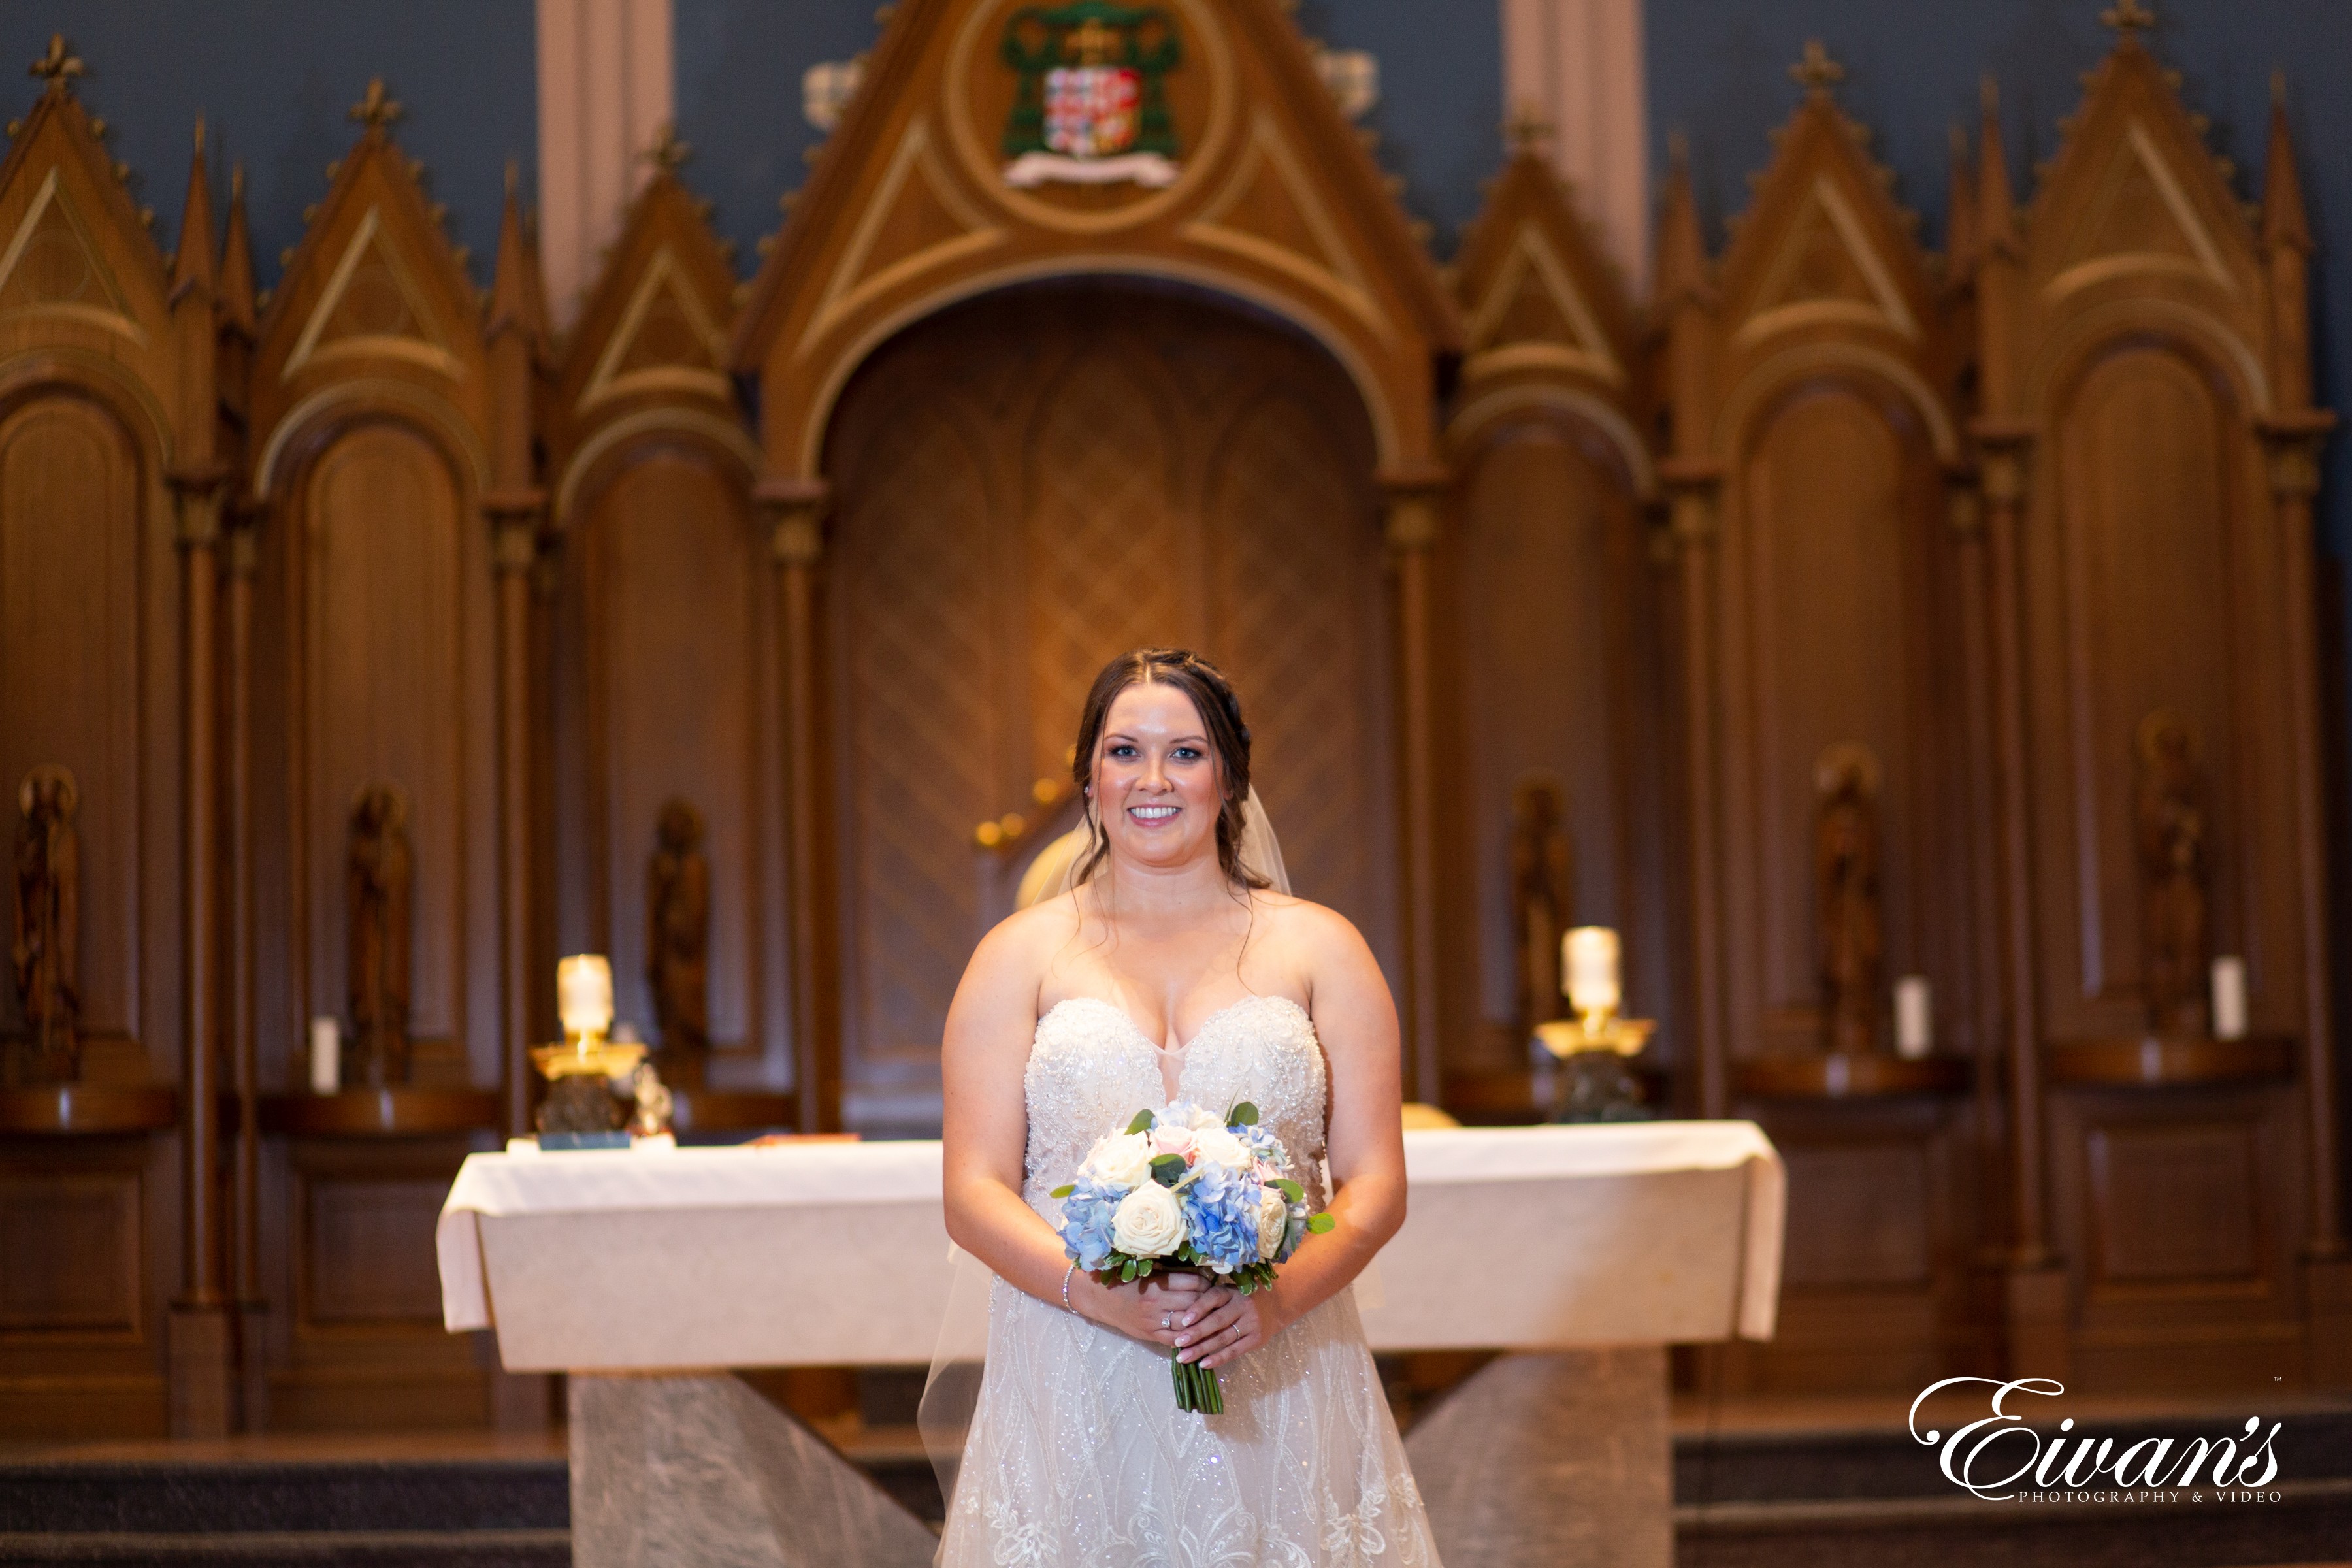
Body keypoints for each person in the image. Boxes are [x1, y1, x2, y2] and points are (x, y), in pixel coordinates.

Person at [937, 647, 1439, 1565]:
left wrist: (1278, 1300)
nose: (1153, 779)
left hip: (1277, 1361)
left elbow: (1375, 1184)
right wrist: (1094, 1295)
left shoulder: (1323, 949)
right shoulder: (1017, 956)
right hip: (1072, 1362)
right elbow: (972, 1190)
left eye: (1187, 752)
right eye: (1125, 751)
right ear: (1090, 778)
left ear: (1230, 778)